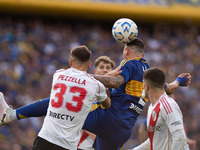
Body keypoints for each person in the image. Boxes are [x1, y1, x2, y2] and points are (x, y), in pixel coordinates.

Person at [0, 38, 191, 150]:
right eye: (103, 67)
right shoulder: (148, 73)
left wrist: (78, 76)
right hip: (123, 130)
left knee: (60, 101)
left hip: (107, 118)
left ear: (126, 51)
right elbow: (169, 87)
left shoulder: (130, 64)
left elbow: (116, 82)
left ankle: (11, 115)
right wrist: (179, 82)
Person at [33, 45, 111, 150]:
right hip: (67, 145)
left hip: (44, 138)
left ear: (70, 62)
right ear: (89, 65)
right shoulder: (96, 85)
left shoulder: (58, 74)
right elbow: (107, 105)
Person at [130, 67, 189, 150]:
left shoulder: (168, 105)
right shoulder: (152, 107)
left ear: (146, 86)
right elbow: (154, 141)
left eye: (143, 84)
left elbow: (180, 138)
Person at [78, 56, 115, 150]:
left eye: (108, 68)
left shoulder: (117, 93)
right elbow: (79, 115)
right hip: (85, 144)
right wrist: (95, 135)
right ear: (95, 71)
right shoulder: (87, 90)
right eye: (101, 67)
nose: (105, 70)